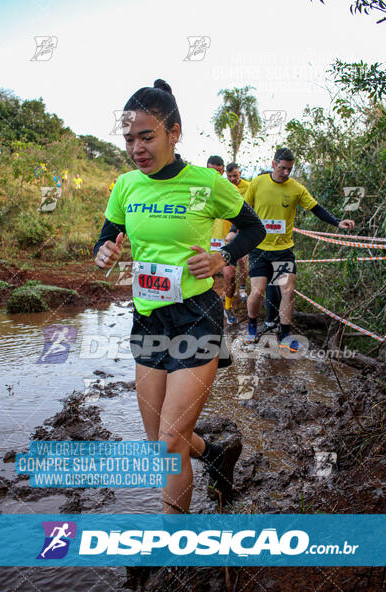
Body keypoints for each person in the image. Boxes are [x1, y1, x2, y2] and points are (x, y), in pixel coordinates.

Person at [94, 79, 265, 513]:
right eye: (130, 139)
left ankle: (174, 553)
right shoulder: (126, 185)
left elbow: (254, 228)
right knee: (161, 443)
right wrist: (105, 248)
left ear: (174, 132)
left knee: (170, 442)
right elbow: (109, 230)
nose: (137, 148)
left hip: (195, 316)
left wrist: (221, 256)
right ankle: (214, 454)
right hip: (149, 317)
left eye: (147, 137)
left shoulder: (206, 183)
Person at [243, 147, 355, 349]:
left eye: (290, 169)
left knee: (287, 290)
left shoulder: (296, 189)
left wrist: (338, 223)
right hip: (259, 249)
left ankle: (284, 335)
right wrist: (235, 231)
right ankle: (251, 325)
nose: (286, 173)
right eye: (282, 168)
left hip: (283, 250)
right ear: (273, 164)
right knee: (258, 292)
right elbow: (244, 210)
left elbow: (316, 209)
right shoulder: (257, 183)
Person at [206, 156, 240, 325]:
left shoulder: (231, 189)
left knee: (230, 276)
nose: (215, 175)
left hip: (226, 241)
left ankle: (228, 306)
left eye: (218, 172)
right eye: (211, 171)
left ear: (222, 171)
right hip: (206, 240)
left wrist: (234, 232)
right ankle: (206, 307)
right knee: (206, 276)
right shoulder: (200, 189)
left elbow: (240, 215)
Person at [225, 162, 250, 304]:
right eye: (229, 176)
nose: (232, 179)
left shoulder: (248, 187)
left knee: (242, 260)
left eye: (235, 175)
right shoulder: (225, 186)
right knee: (229, 261)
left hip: (243, 228)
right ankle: (230, 291)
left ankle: (242, 288)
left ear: (239, 173)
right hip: (228, 228)